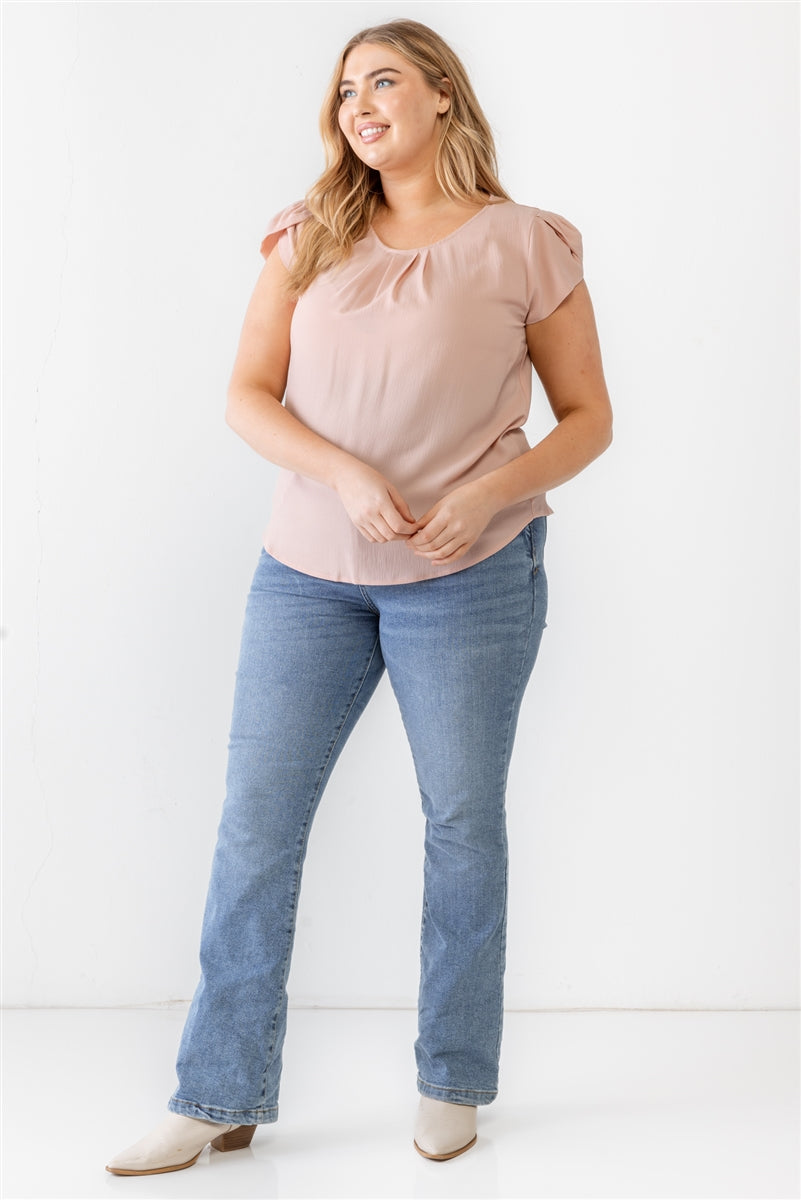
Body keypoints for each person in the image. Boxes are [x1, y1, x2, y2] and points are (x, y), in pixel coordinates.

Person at [106, 17, 612, 1176]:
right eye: (345, 92)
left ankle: (453, 1080)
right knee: (256, 823)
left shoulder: (524, 243)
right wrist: (341, 473)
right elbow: (247, 393)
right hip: (306, 577)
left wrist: (489, 495)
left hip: (469, 578)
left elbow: (590, 419)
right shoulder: (310, 234)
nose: (360, 105)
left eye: (384, 81)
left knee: (461, 824)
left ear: (443, 97)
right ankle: (216, 1093)